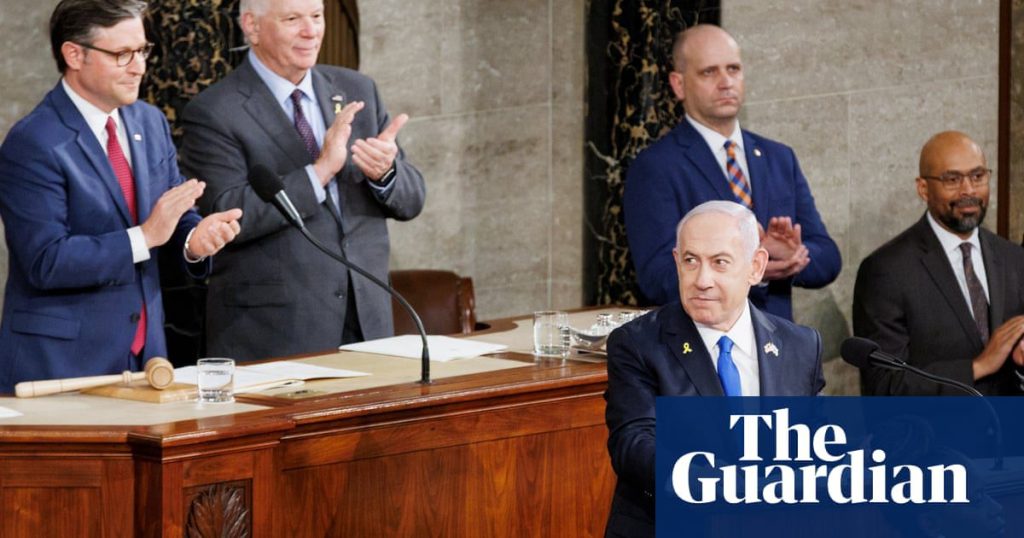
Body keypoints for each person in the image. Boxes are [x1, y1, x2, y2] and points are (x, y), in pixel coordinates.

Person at [0, 0, 242, 392]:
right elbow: (46, 261)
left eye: (142, 50)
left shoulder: (150, 121)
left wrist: (194, 241)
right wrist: (144, 236)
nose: (140, 67)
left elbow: (172, 216)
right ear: (74, 55)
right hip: (61, 365)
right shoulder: (34, 141)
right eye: (122, 54)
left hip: (147, 360)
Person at [179, 0, 426, 360]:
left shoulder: (357, 90)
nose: (311, 32)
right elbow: (228, 212)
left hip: (367, 321)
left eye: (316, 16)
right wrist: (319, 172)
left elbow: (413, 200)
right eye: (293, 19)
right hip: (277, 333)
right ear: (252, 26)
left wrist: (386, 173)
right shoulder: (214, 111)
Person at [604, 201, 825, 537]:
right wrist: (718, 483)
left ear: (755, 267)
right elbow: (633, 444)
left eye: (720, 262)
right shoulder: (638, 343)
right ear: (677, 262)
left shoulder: (801, 345)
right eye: (691, 261)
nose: (702, 280)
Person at [624, 24, 840, 320]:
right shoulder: (656, 167)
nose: (726, 82)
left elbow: (828, 258)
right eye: (709, 72)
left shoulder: (779, 157)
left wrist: (792, 257)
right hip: (701, 340)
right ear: (678, 84)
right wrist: (753, 268)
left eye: (733, 69)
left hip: (776, 339)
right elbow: (657, 277)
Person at [853, 131, 1024, 395]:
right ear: (923, 189)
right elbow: (884, 385)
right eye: (952, 179)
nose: (969, 190)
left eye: (977, 176)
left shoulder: (1013, 258)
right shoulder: (885, 271)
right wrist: (977, 367)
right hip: (936, 422)